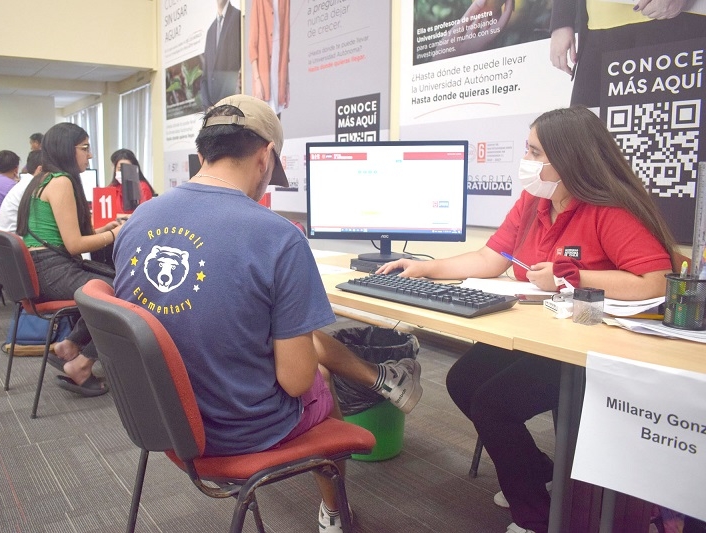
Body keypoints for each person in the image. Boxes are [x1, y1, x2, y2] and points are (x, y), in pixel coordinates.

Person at [113, 94, 422, 533]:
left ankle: (379, 380)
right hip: (237, 434)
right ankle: (336, 514)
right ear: (266, 155)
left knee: (279, 330)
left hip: (162, 421)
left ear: (202, 153)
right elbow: (295, 381)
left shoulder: (140, 219)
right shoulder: (278, 236)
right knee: (315, 376)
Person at [378, 106, 677, 533]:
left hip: (586, 347)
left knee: (494, 403)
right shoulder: (534, 200)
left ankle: (534, 517)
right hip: (535, 334)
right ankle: (536, 473)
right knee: (462, 381)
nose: (527, 160)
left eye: (535, 152)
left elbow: (656, 281)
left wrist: (571, 276)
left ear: (568, 159)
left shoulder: (608, 211)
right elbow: (490, 257)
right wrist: (425, 267)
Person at [16, 123, 124, 397]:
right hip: (51, 269)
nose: (89, 156)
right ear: (68, 149)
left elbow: (64, 238)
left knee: (115, 283)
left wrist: (104, 229)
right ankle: (82, 364)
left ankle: (69, 346)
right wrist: (115, 233)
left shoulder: (42, 179)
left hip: (44, 266)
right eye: (85, 148)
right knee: (125, 292)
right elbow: (74, 245)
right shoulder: (62, 182)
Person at [549, 0, 704, 106]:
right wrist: (561, 21)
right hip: (599, 27)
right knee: (587, 140)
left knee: (674, 136)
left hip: (675, 21)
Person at [248, 0, 290, 116]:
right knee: (262, 129)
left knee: (276, 129)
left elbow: (286, 43)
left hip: (279, 80)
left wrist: (287, 84)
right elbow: (252, 45)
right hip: (263, 79)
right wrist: (257, 81)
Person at [201, 0, 241, 109]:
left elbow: (236, 65)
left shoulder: (238, 18)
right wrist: (208, 107)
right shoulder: (210, 31)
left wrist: (223, 104)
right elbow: (205, 76)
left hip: (231, 105)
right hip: (213, 111)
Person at [0, 150, 42, 232]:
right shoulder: (33, 188)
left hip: (8, 238)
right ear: (40, 170)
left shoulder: (23, 184)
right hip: (17, 239)